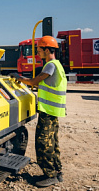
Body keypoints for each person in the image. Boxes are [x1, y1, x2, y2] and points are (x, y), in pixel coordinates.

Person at [10, 35, 67, 188]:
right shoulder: (58, 65)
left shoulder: (50, 65)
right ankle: (57, 172)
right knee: (53, 143)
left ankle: (51, 175)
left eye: (40, 49)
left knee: (43, 144)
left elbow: (34, 81)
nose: (38, 53)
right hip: (53, 111)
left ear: (47, 49)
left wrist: (18, 77)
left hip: (48, 112)